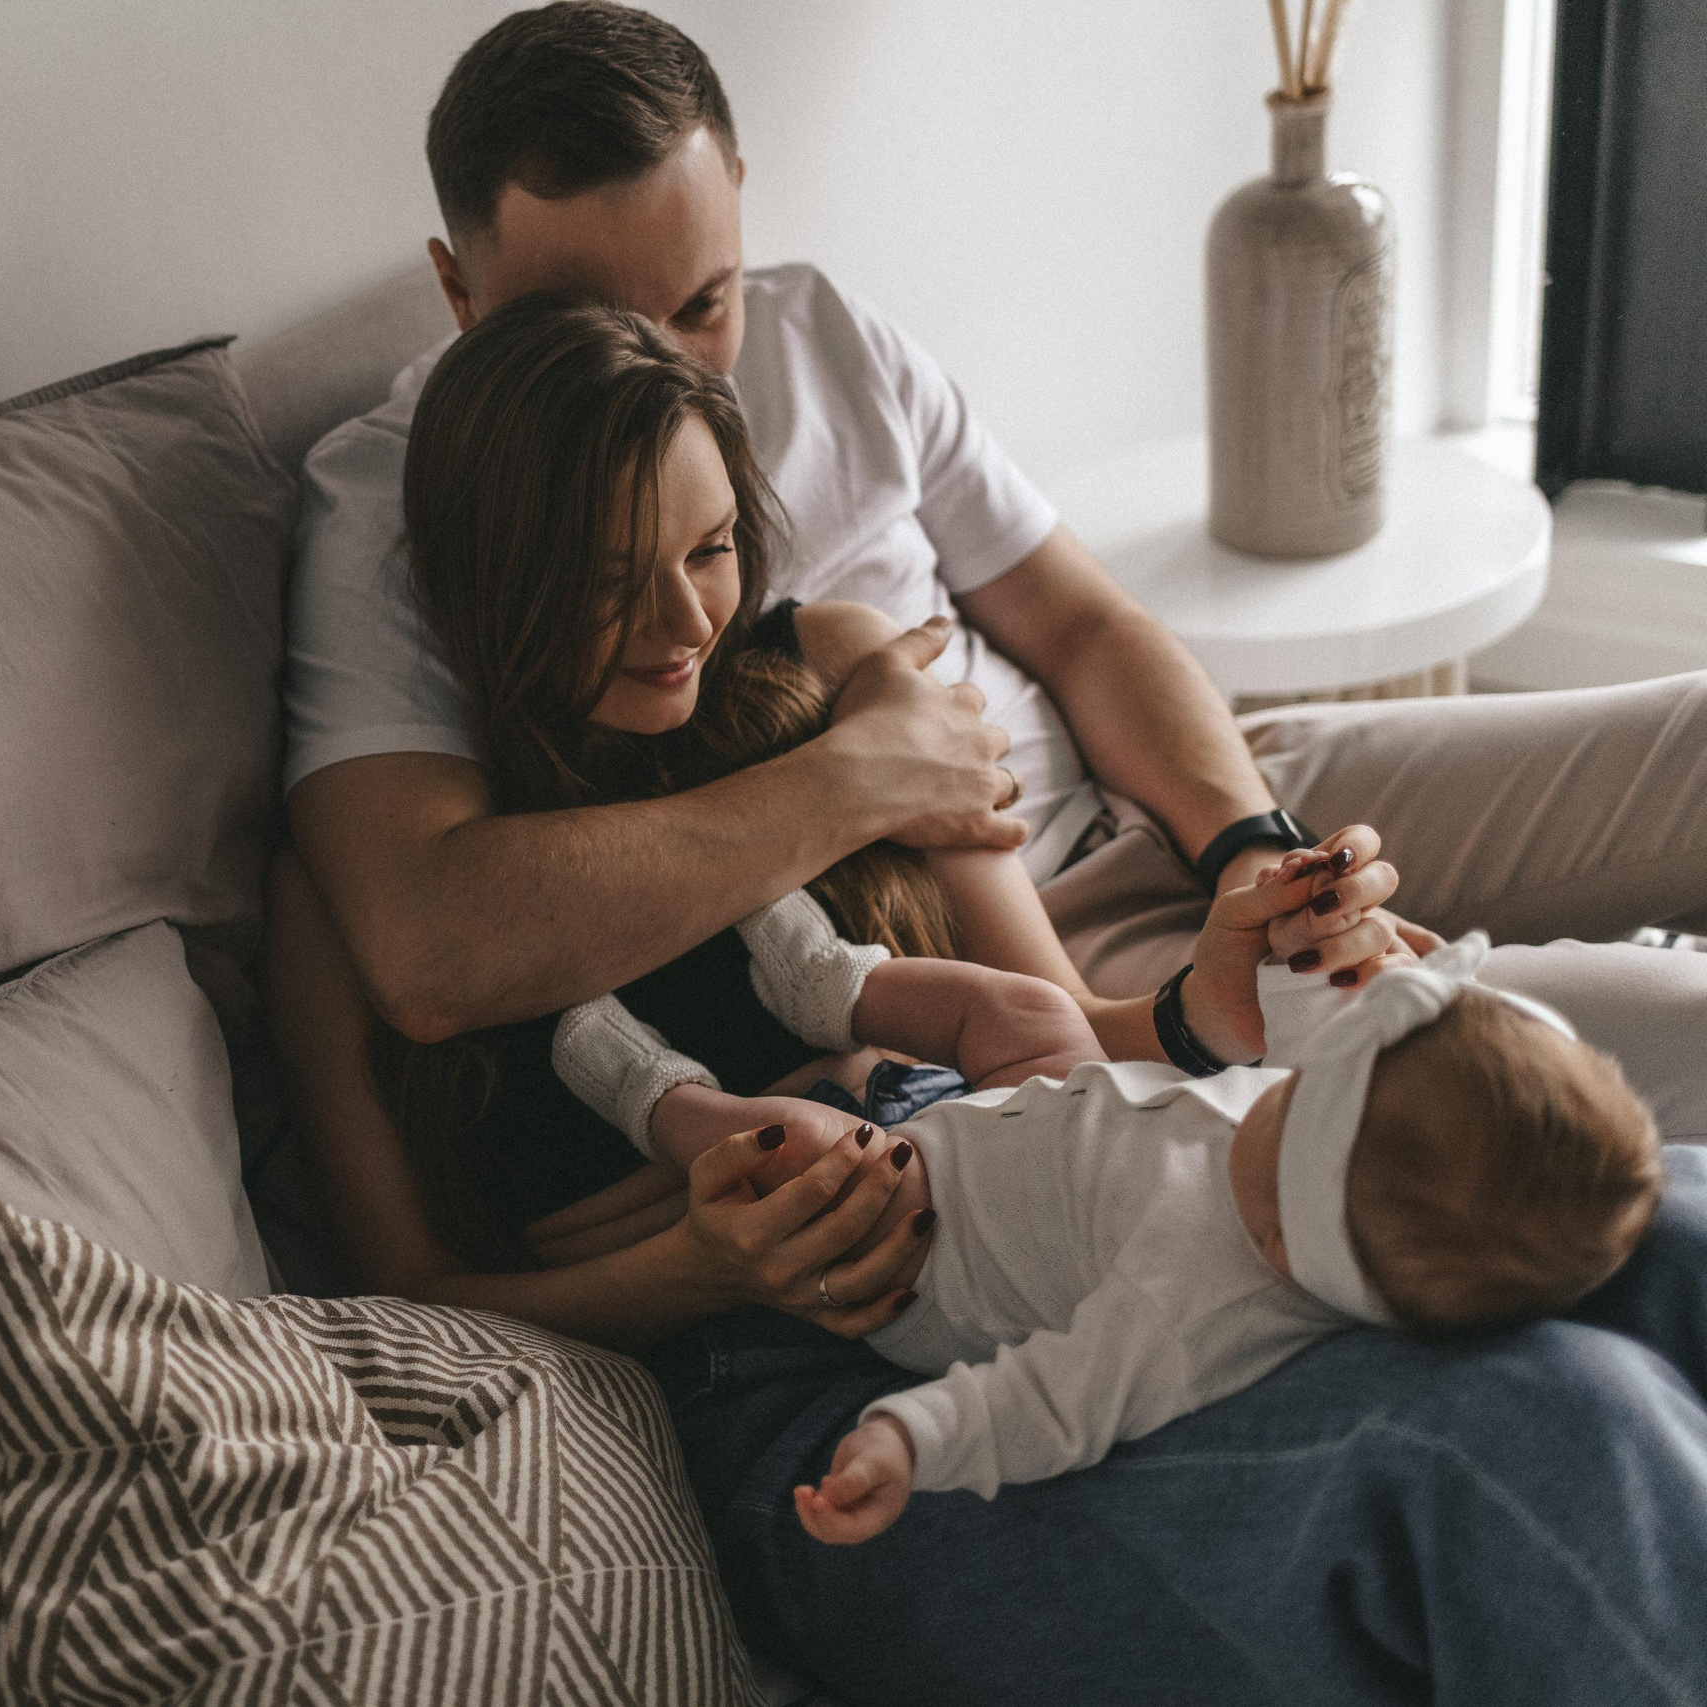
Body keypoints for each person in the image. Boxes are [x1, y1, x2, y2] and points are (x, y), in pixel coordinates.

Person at [269, 13, 1707, 1692]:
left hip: (1076, 1195)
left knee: (1656, 1214)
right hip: (831, 1386)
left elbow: (1043, 1024)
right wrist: (695, 1258)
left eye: (712, 544)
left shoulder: (812, 667)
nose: (679, 609)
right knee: (1544, 1424)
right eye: (605, 572)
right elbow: (413, 1272)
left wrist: (1213, 968)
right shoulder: (396, 806)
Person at [790, 931, 1664, 1547]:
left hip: (934, 1231)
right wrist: (1310, 944)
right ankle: (821, 978)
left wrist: (907, 1439)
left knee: (794, 1145)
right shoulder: (1323, 1168)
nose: (1272, 1088)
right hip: (1049, 1115)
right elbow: (1302, 1048)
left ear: (1284, 1243)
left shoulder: (1188, 1308)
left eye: (1288, 1103)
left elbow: (1049, 1402)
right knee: (1028, 1006)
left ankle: (660, 1093)